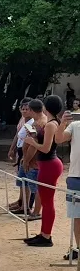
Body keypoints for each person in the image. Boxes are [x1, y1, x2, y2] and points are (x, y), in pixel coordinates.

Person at [23, 96, 64, 247]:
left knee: (47, 202)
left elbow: (46, 148)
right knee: (47, 201)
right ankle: (44, 233)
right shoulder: (52, 123)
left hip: (49, 164)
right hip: (48, 164)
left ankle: (46, 236)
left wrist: (32, 142)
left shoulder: (50, 125)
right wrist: (34, 137)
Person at [55, 110, 80, 259]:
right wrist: (63, 123)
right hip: (76, 177)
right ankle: (78, 247)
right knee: (77, 217)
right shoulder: (75, 126)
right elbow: (58, 139)